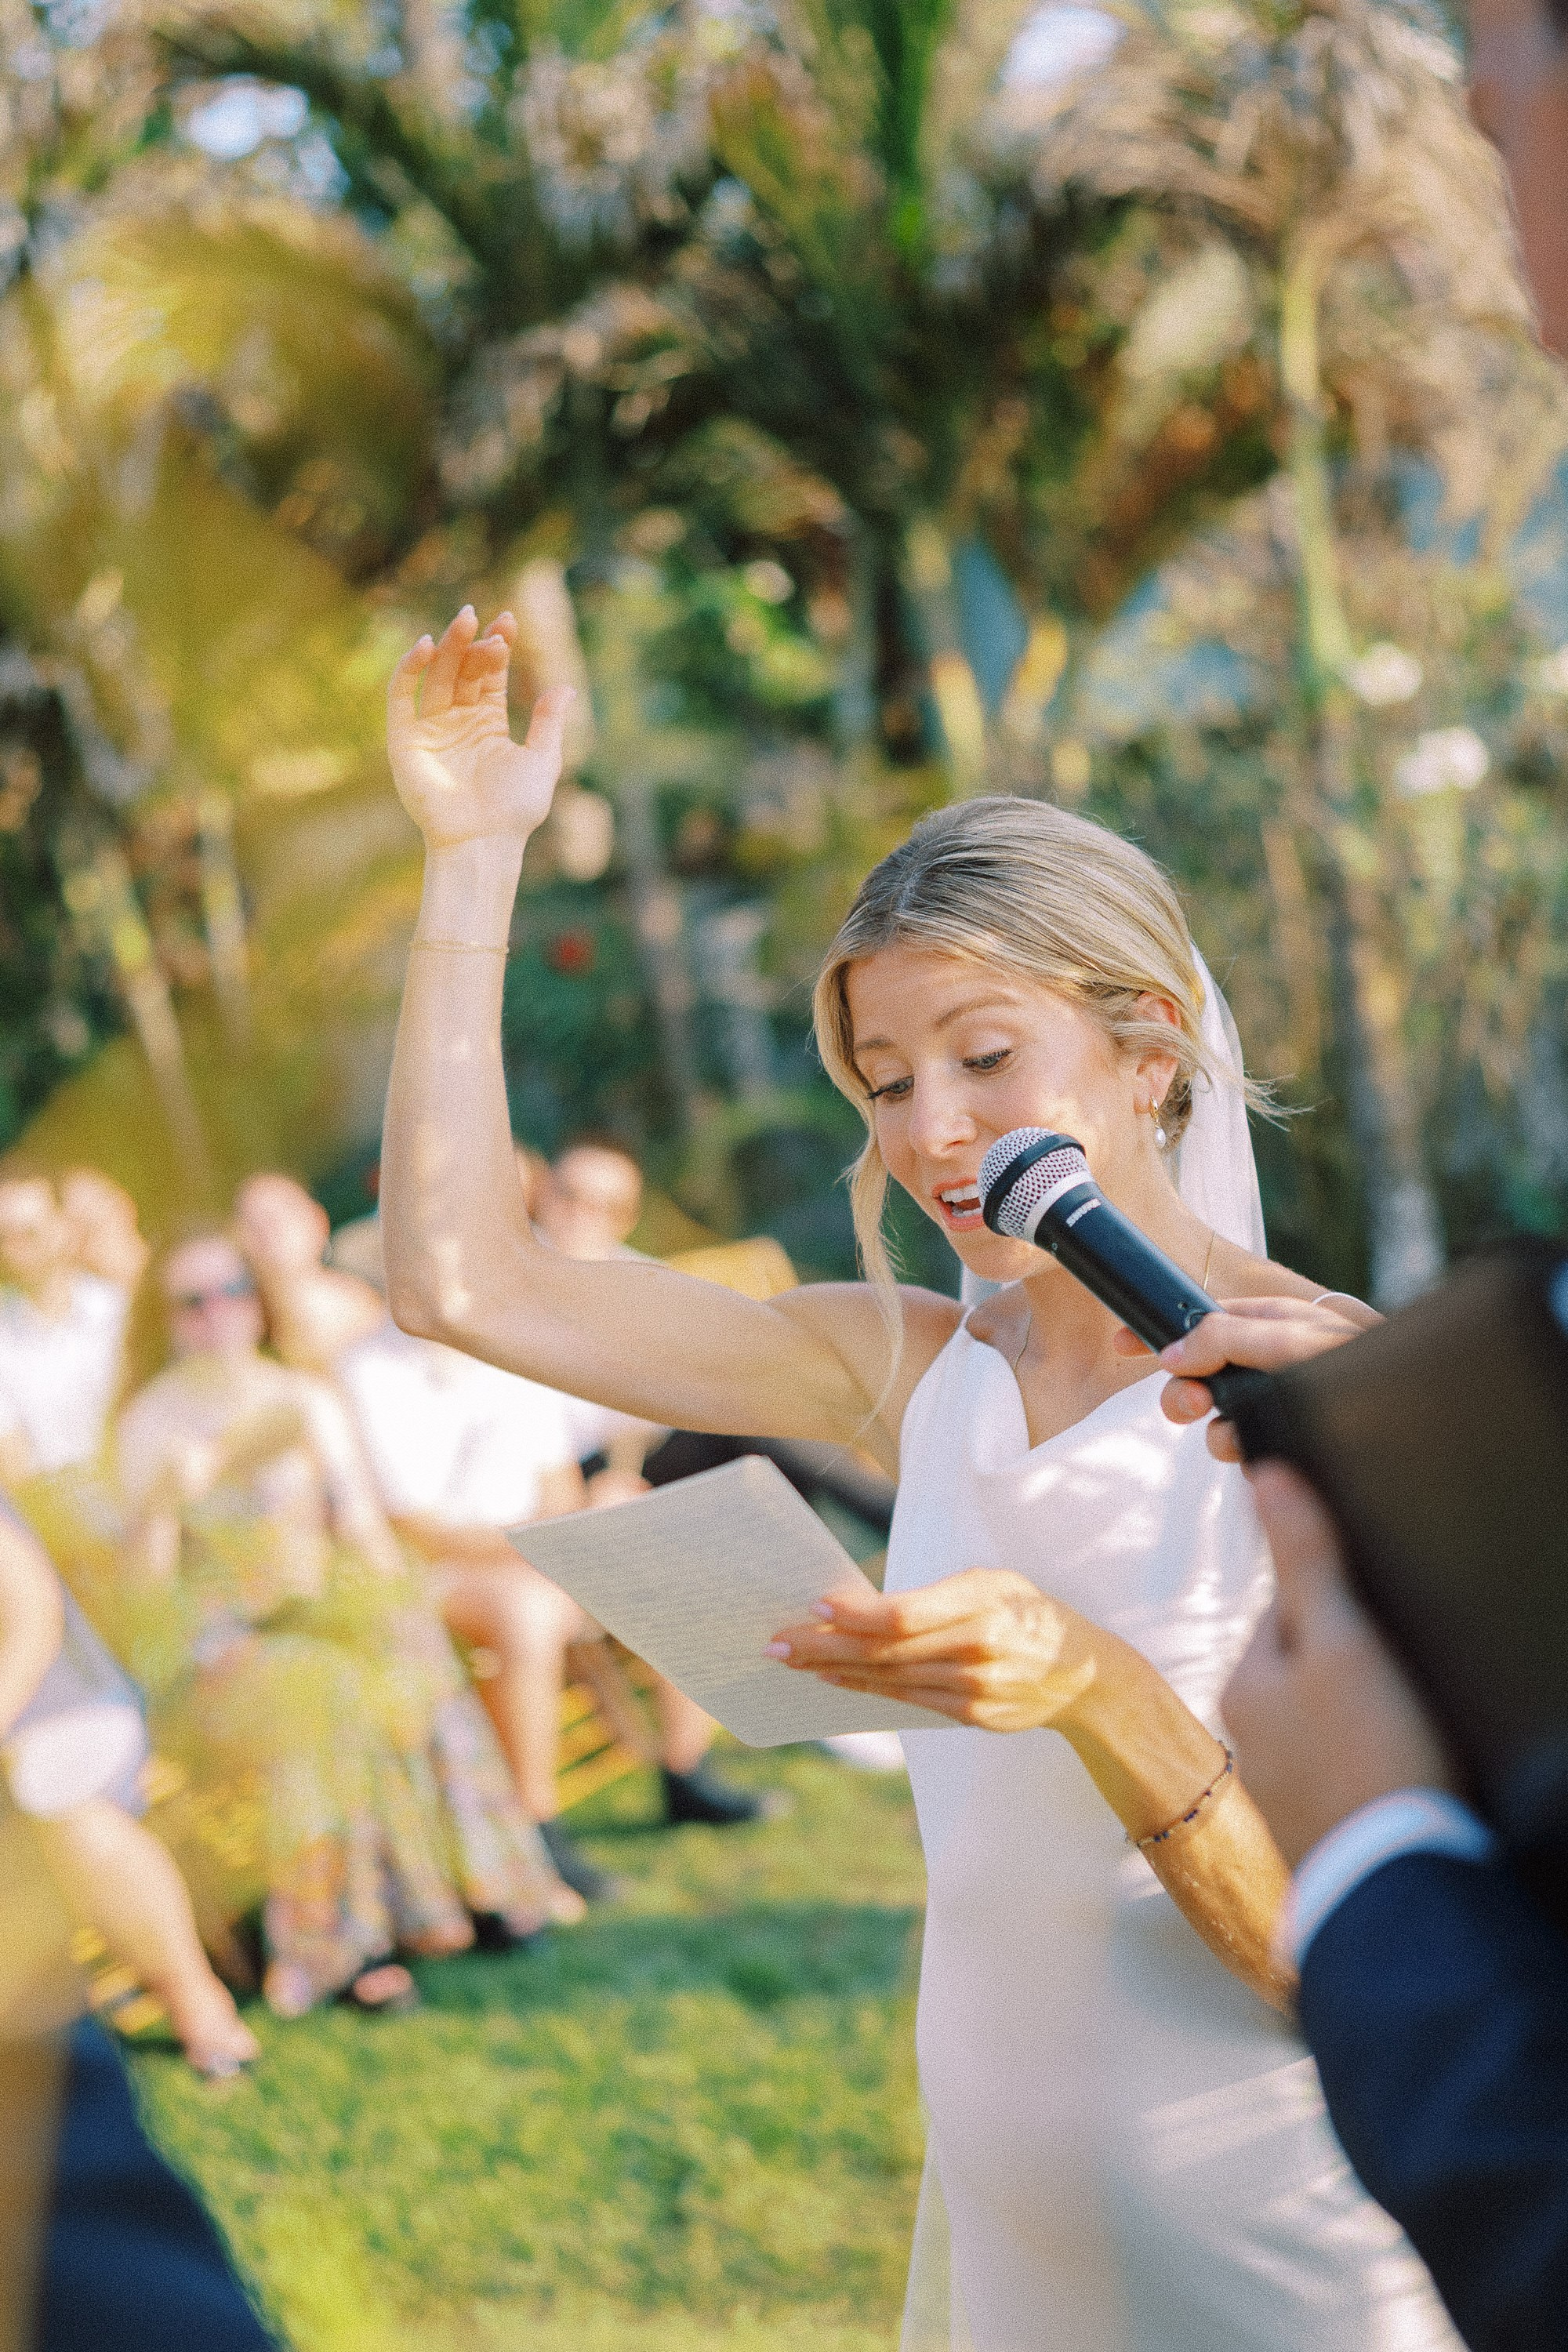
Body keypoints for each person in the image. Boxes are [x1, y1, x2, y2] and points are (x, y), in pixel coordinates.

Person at [379, 612, 1460, 2352]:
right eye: (886, 1084)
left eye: (981, 1058)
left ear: (1148, 1053)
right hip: (1011, 2225)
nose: (930, 1131)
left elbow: (1374, 1965)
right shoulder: (908, 1370)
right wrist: (470, 857)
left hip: (1283, 2236)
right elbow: (458, 1282)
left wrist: (1090, 1689)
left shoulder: (1333, 1388)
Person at [40, 1229, 574, 2018]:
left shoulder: (303, 1398)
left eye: (233, 1293)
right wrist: (163, 1501)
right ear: (166, 1319)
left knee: (410, 1647)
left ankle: (478, 1886)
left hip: (314, 1610)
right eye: (193, 1303)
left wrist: (386, 1597)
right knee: (319, 1689)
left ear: (257, 1302)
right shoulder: (149, 1423)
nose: (217, 1316)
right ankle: (345, 1947)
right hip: (214, 1646)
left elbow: (360, 1533)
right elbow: (145, 1605)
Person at [0, 1178, 134, 1489]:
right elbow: (12, 1464)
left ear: (65, 1228)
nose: (16, 1248)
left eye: (29, 1232)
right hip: (52, 1507)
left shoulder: (120, 1311)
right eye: (5, 1236)